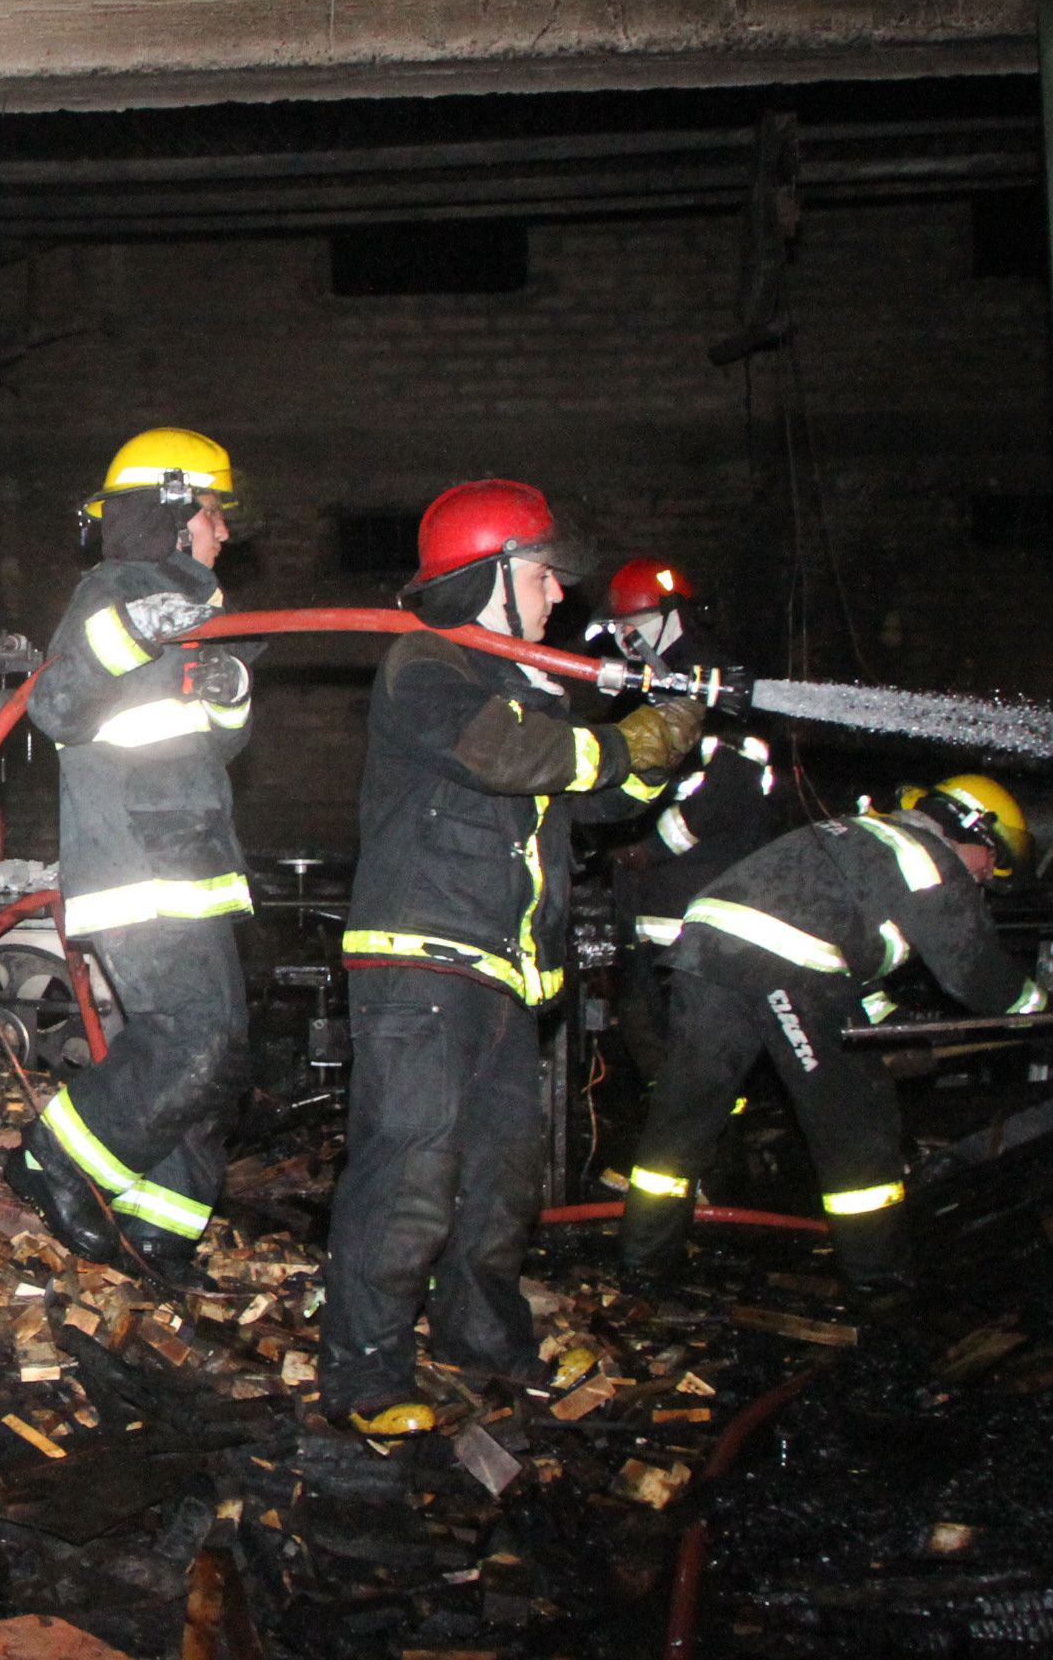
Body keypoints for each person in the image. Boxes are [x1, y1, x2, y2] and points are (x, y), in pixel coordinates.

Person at [321, 481, 699, 1444]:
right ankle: (364, 1373)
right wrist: (619, 743)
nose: (558, 596)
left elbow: (591, 797)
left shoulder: (529, 691)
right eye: (540, 576)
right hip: (423, 961)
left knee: (500, 1179)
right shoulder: (427, 664)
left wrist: (659, 748)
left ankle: (484, 1340)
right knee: (410, 1173)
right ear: (486, 578)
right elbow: (503, 755)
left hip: (504, 973)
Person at [620, 775, 1053, 1295]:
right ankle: (877, 1278)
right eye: (993, 858)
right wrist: (1051, 1017)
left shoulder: (863, 836)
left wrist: (890, 1027)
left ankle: (643, 1263)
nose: (988, 874)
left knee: (686, 1111)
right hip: (783, 963)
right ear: (972, 828)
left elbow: (843, 957)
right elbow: (976, 974)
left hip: (706, 949)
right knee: (855, 1119)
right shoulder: (930, 862)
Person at [6, 428, 257, 1293]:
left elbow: (214, 746)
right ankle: (55, 1161)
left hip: (195, 860)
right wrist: (134, 630)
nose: (225, 531)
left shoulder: (204, 607)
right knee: (196, 1041)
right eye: (215, 512)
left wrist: (232, 691)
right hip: (134, 861)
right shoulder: (112, 592)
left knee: (219, 1061)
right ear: (174, 509)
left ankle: (160, 1232)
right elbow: (59, 703)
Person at [589, 557, 782, 1066]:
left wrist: (650, 848)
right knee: (651, 1028)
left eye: (633, 626)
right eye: (619, 629)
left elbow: (731, 787)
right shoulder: (646, 683)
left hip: (704, 887)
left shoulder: (717, 684)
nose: (624, 639)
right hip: (651, 893)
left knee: (701, 1038)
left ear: (672, 616)